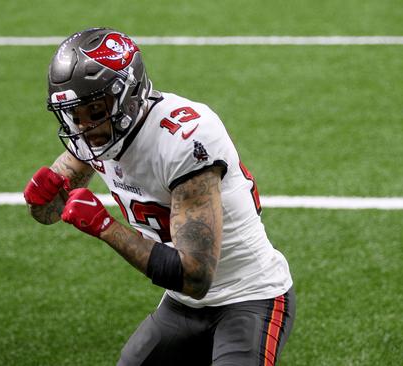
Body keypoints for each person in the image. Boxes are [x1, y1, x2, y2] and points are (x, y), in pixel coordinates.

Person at [24, 27, 295, 366]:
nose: (84, 127)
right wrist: (40, 200)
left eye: (95, 111)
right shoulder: (95, 136)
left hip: (249, 295)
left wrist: (108, 227)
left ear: (128, 94)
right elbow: (50, 211)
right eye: (73, 115)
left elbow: (195, 276)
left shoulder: (184, 139)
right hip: (182, 304)